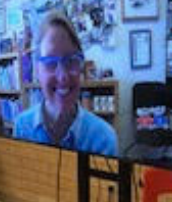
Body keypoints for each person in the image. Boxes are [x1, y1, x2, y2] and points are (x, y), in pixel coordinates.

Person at [13, 12, 117, 157]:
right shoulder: (22, 127)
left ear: (80, 66)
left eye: (71, 61)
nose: (62, 76)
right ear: (38, 70)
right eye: (50, 63)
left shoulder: (104, 138)